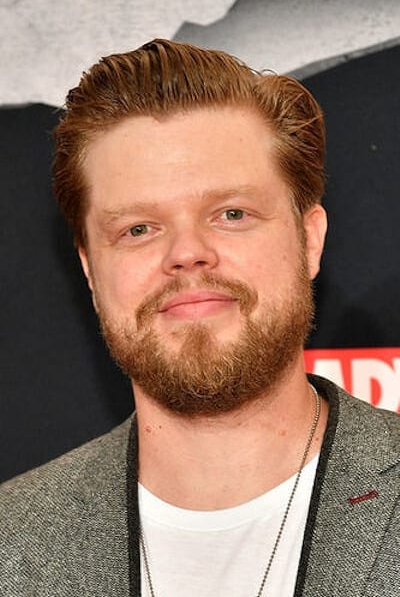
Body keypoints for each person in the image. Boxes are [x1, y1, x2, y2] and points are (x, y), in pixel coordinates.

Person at [0, 39, 398, 597]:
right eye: (139, 228)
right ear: (90, 269)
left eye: (231, 214)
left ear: (309, 240)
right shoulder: (13, 546)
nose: (186, 253)